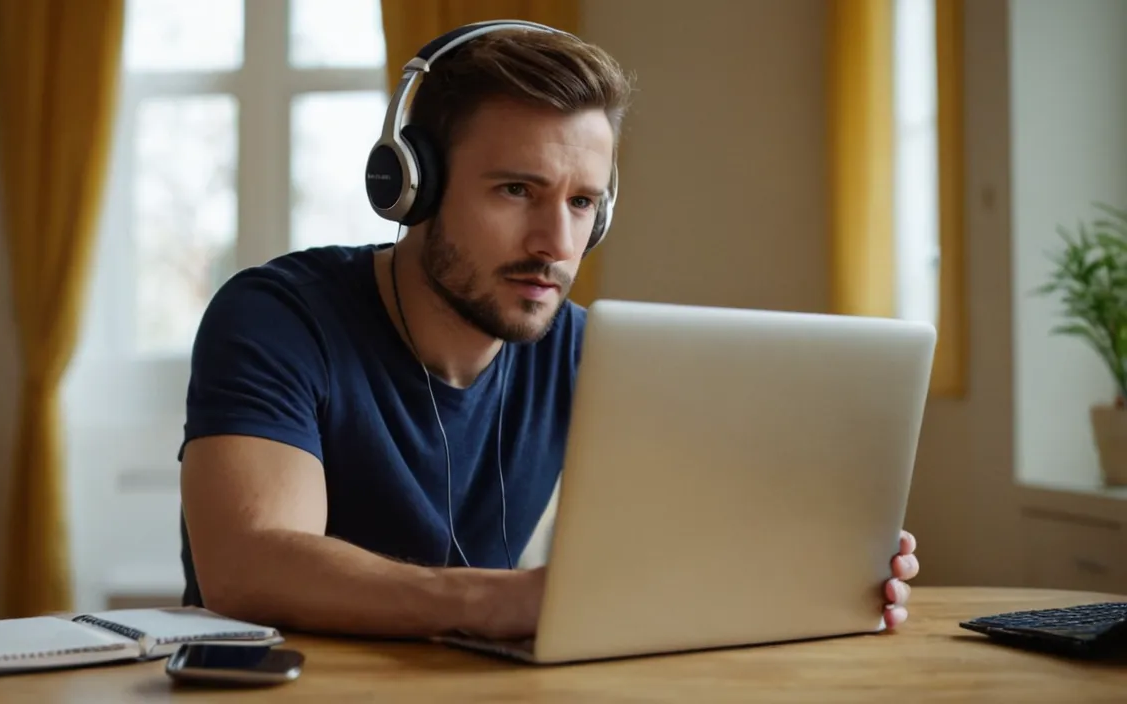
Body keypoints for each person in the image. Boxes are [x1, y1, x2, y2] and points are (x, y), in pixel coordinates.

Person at [176, 22, 920, 641]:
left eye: (583, 202)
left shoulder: (595, 357)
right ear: (413, 188)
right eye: (516, 190)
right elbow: (249, 567)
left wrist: (820, 573)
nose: (556, 242)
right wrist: (505, 602)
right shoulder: (277, 319)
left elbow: (691, 552)